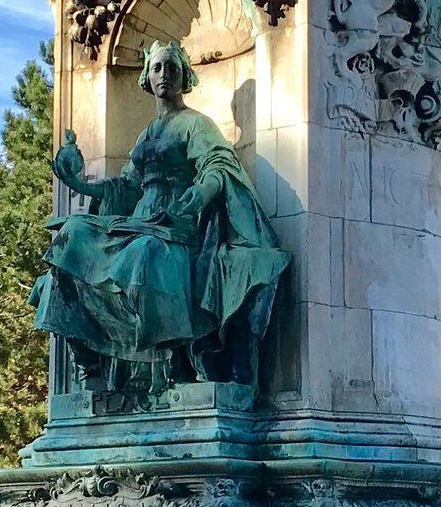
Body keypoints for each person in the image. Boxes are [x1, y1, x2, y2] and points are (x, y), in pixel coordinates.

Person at [33, 39, 289, 393]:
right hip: (139, 219)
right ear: (147, 78)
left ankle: (169, 365)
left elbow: (217, 164)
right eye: (157, 67)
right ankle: (88, 359)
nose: (164, 74)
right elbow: (124, 188)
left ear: (184, 77)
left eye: (172, 67)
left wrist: (200, 194)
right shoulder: (145, 134)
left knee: (144, 254)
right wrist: (78, 183)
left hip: (177, 221)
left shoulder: (196, 124)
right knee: (70, 237)